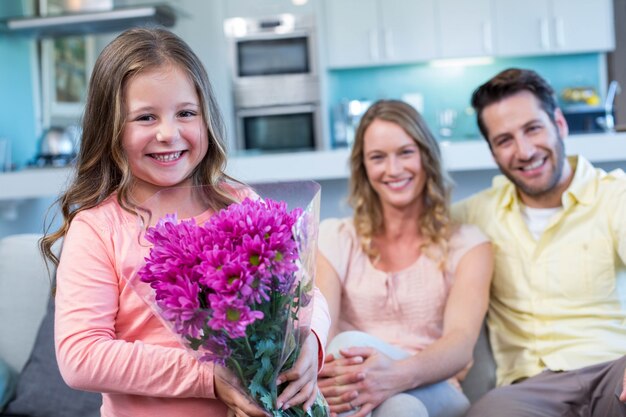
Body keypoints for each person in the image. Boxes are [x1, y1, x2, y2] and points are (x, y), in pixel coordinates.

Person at [40, 28, 330, 417]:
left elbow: (306, 295)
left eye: (186, 113)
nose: (168, 133)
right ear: (109, 127)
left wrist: (311, 340)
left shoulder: (238, 203)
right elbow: (81, 356)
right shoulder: (98, 229)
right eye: (145, 117)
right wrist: (208, 378)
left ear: (205, 117)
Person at [453, 68, 626, 417]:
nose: (525, 151)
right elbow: (407, 236)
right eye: (504, 140)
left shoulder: (615, 196)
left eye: (533, 128)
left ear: (559, 124)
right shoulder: (474, 217)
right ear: (492, 152)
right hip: (525, 391)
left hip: (612, 371)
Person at [316, 99, 493, 417]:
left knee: (352, 342)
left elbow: (460, 343)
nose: (393, 169)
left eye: (406, 152)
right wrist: (371, 384)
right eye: (378, 157)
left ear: (427, 156)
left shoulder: (469, 245)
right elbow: (319, 331)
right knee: (401, 407)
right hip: (359, 392)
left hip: (438, 388)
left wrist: (395, 376)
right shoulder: (334, 238)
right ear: (364, 167)